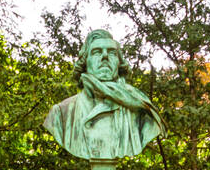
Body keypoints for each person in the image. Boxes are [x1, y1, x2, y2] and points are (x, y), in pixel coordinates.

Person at [44, 29, 165, 161]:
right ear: (85, 62)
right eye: (97, 52)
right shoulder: (61, 113)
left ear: (119, 62)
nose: (105, 56)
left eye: (112, 53)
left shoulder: (143, 111)